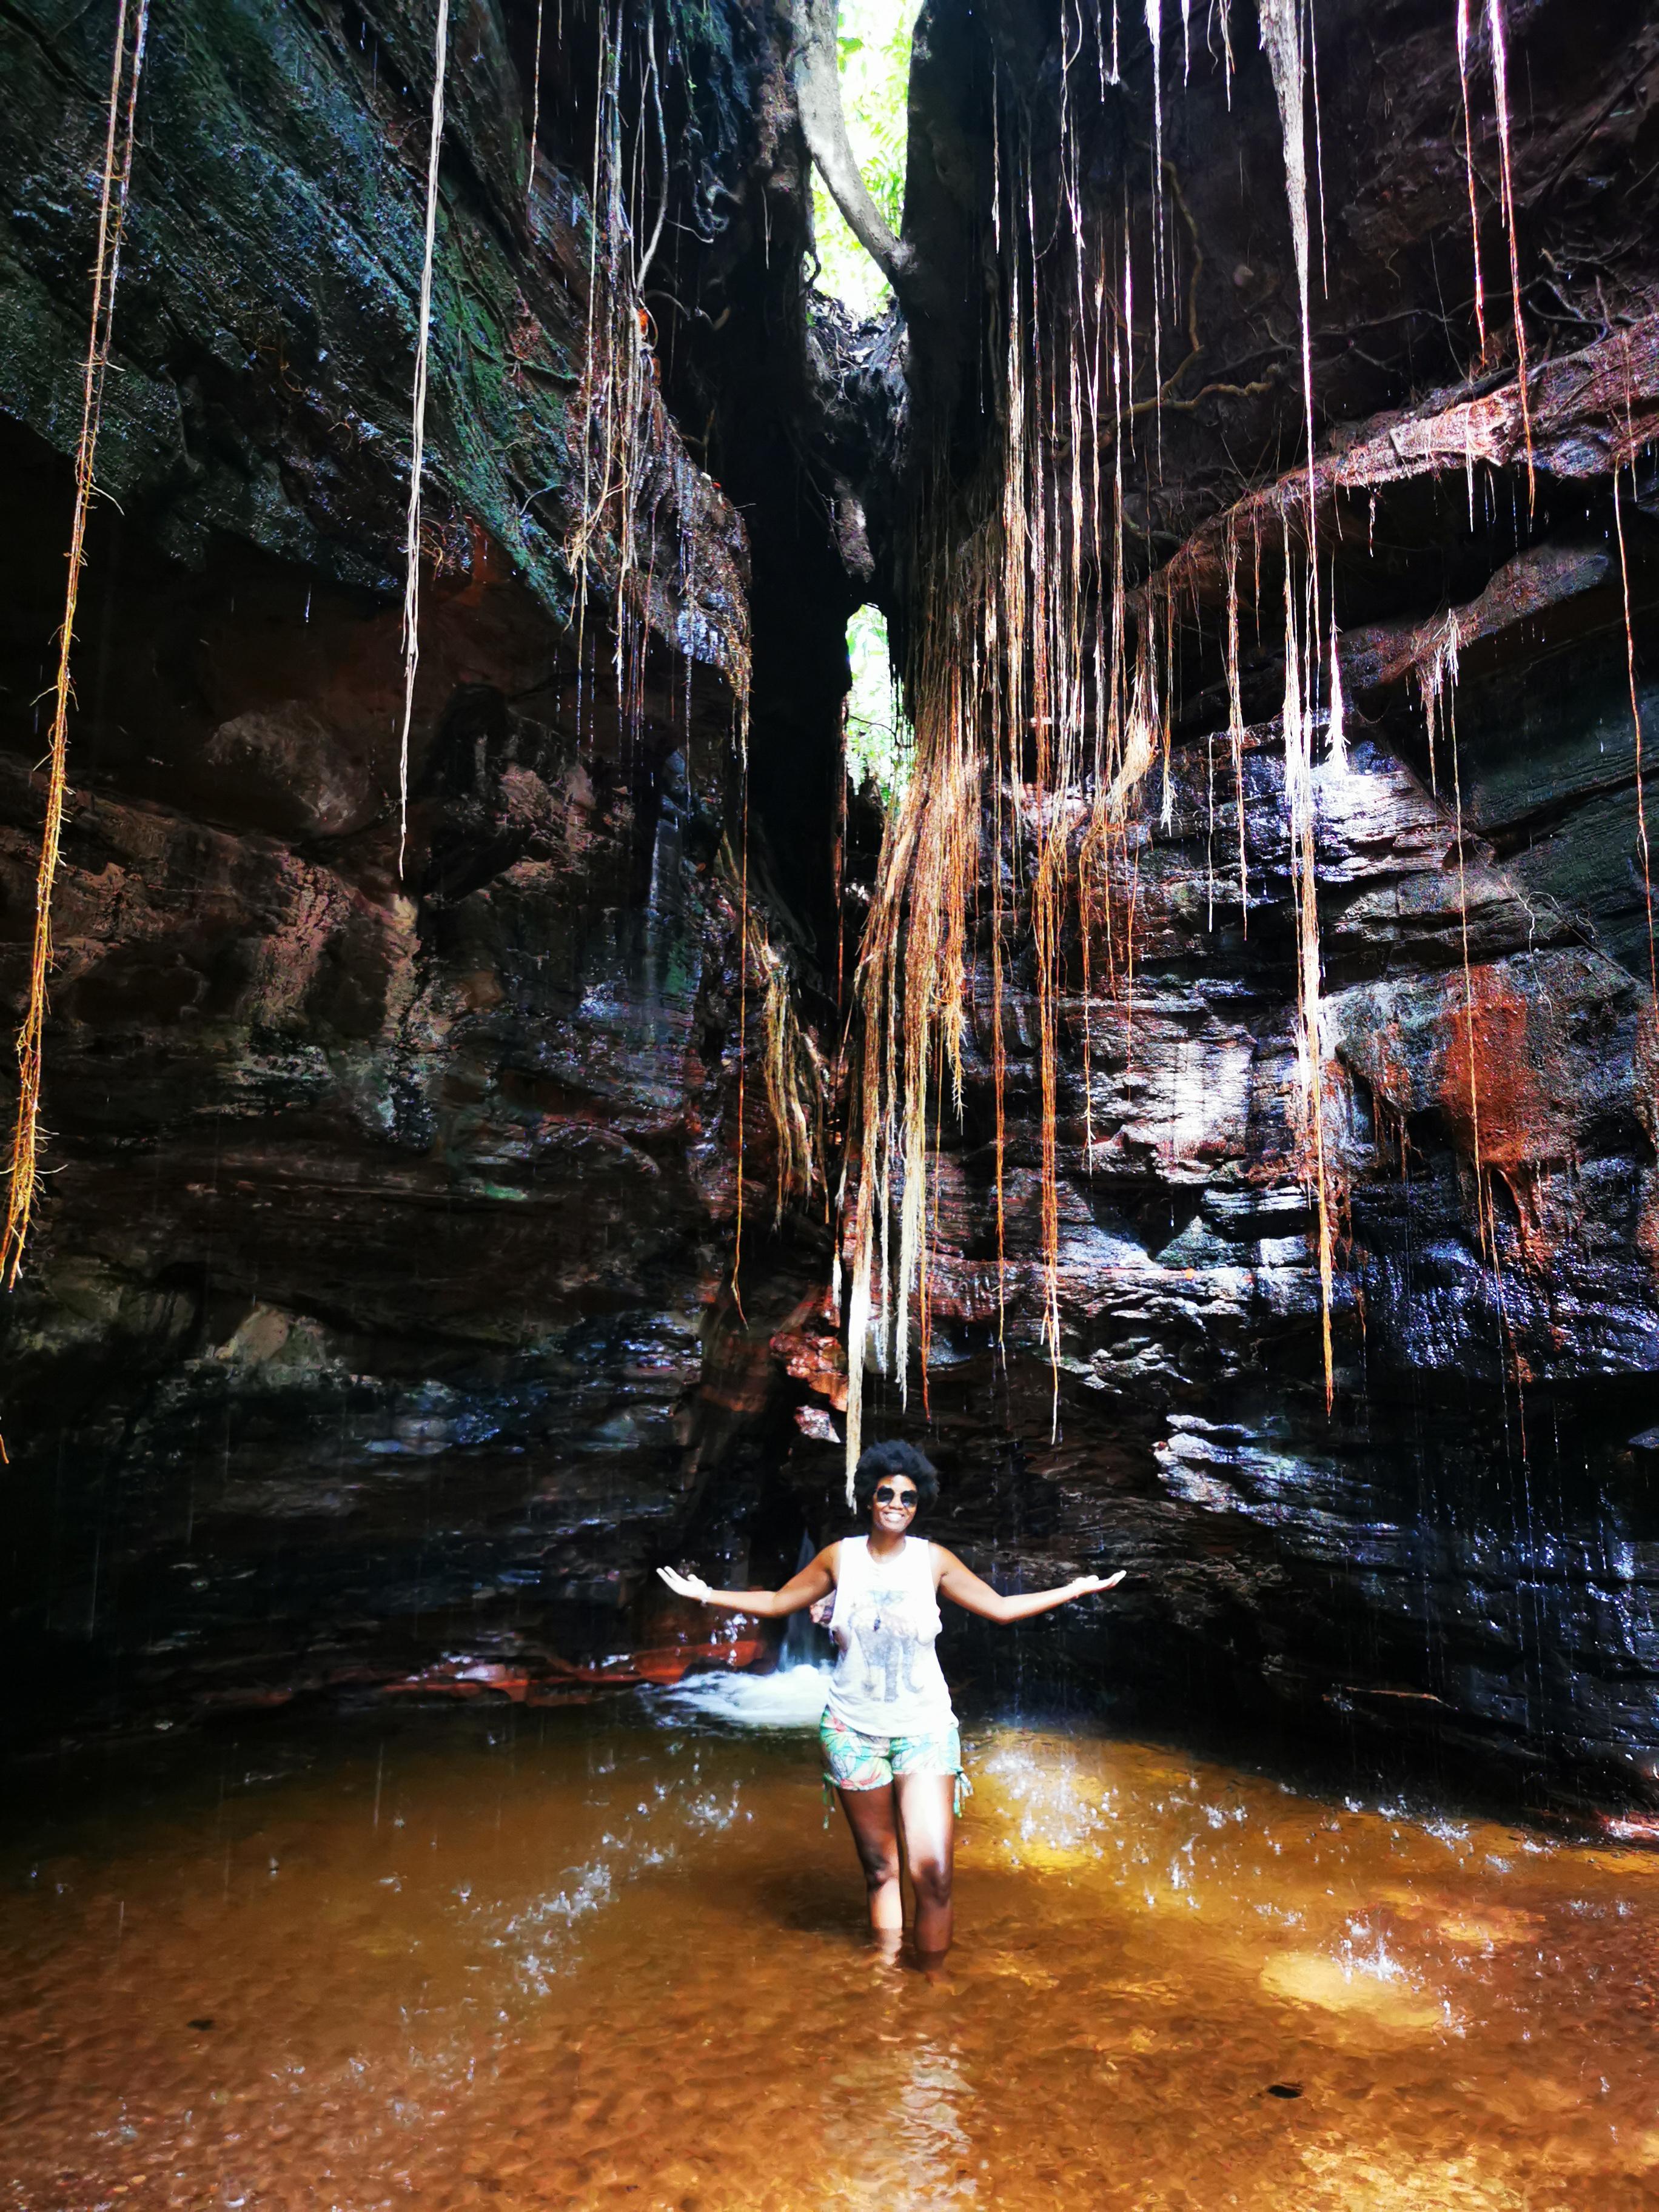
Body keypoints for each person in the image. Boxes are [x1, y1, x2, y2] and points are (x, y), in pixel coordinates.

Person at [657, 1439, 1125, 1962]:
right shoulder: (840, 1557)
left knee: (935, 1874)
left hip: (924, 1729)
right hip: (852, 1730)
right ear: (869, 1498)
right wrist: (706, 1595)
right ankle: (884, 1987)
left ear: (919, 1502)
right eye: (887, 1494)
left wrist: (1074, 1590)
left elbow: (1000, 1607)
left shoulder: (934, 1560)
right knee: (881, 1870)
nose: (898, 1504)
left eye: (909, 1496)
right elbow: (776, 1601)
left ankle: (932, 1988)